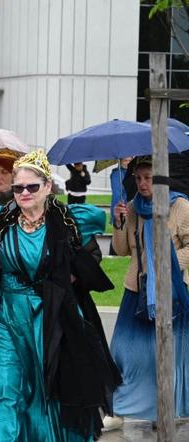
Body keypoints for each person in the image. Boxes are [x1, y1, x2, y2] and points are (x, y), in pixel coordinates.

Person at [0, 149, 121, 441]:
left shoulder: (65, 221)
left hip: (51, 318)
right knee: (4, 390)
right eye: (18, 187)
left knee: (48, 393)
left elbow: (88, 261)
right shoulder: (0, 222)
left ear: (48, 187)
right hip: (6, 317)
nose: (24, 193)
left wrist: (66, 276)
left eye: (31, 187)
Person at [105, 156, 189, 431]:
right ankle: (118, 408)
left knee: (165, 354)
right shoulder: (131, 208)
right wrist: (118, 223)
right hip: (136, 290)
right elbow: (120, 250)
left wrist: (166, 262)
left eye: (148, 177)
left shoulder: (179, 206)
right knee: (122, 351)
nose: (142, 184)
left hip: (171, 292)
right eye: (138, 178)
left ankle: (164, 409)